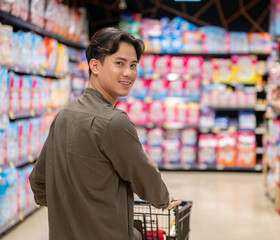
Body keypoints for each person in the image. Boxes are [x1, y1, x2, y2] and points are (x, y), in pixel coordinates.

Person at [29, 27, 181, 240]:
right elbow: (142, 174)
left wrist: (71, 212)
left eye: (133, 65)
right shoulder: (114, 122)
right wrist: (164, 199)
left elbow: (39, 181)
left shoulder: (64, 115)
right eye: (119, 63)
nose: (128, 73)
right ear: (95, 66)